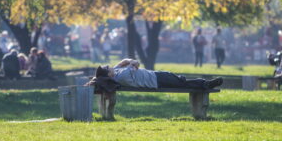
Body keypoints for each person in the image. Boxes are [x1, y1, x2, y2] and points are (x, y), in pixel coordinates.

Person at [94, 59, 223, 89]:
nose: (109, 65)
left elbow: (125, 62)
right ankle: (206, 84)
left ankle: (204, 84)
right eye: (107, 67)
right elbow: (134, 65)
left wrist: (131, 61)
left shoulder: (116, 72)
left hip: (155, 76)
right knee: (182, 83)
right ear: (108, 74)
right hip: (155, 81)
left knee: (180, 82)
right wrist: (132, 62)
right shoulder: (121, 76)